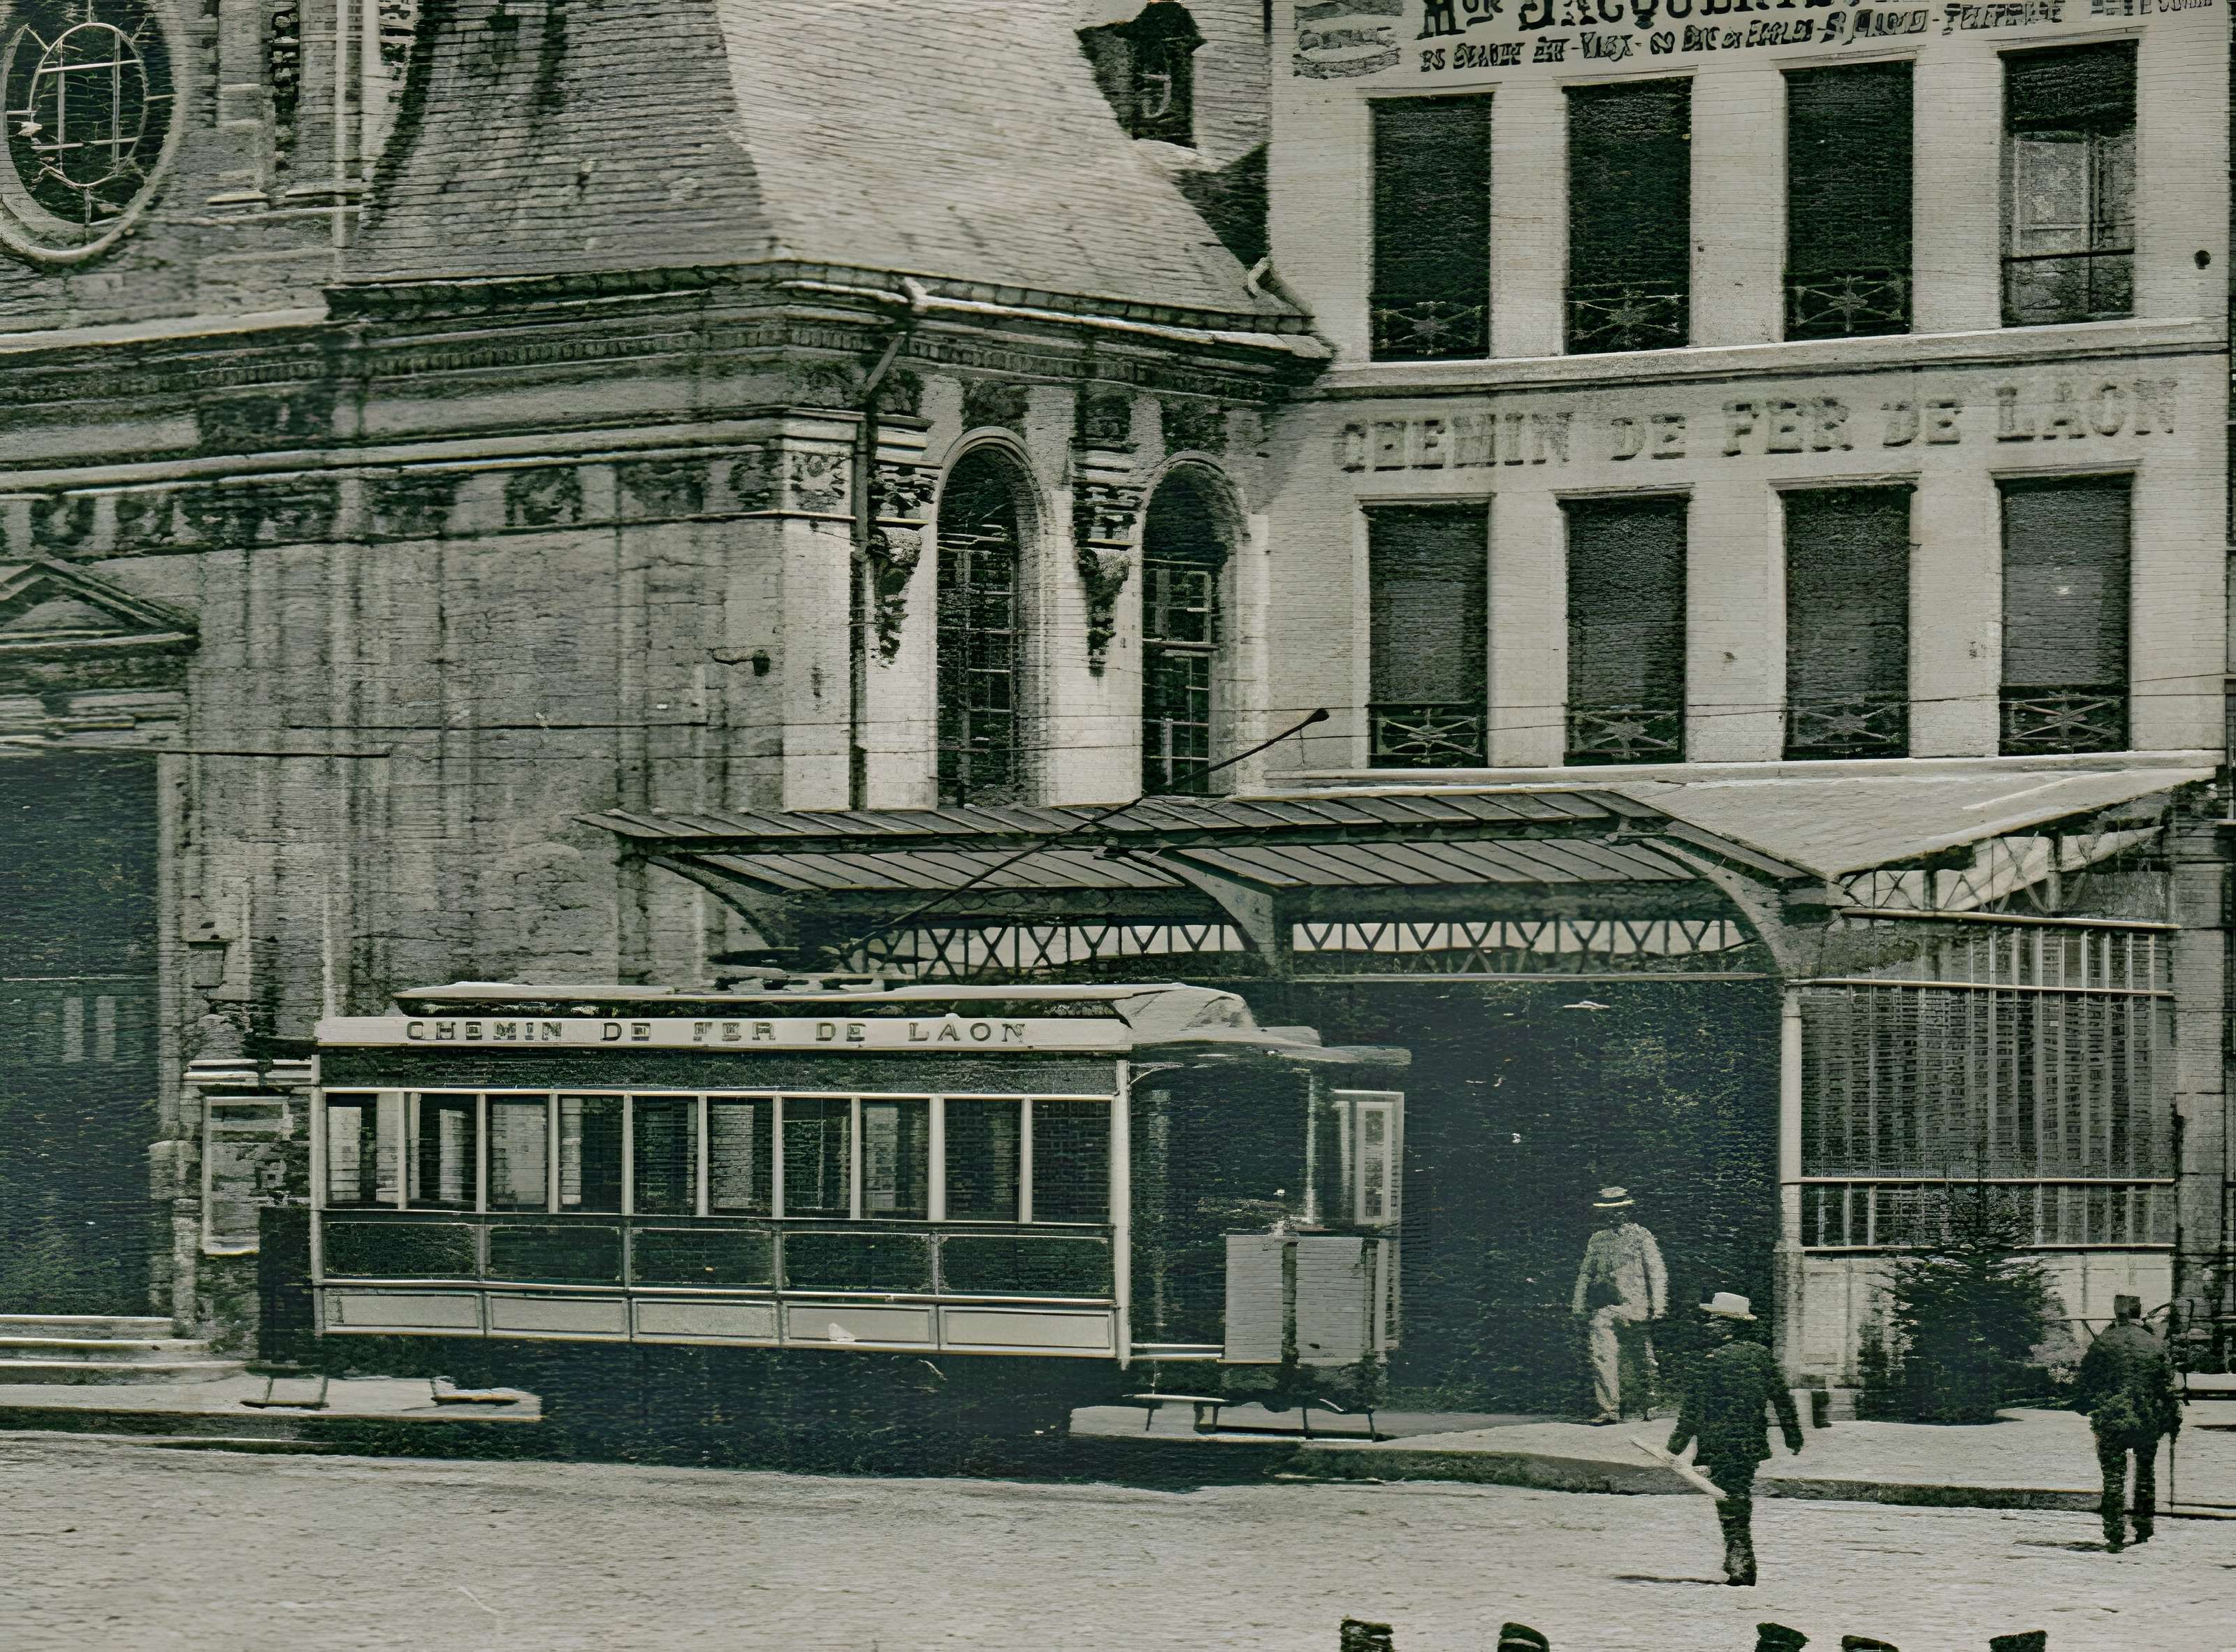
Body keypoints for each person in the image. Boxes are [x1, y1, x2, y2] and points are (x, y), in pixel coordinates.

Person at [1665, 1291, 1803, 1586]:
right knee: (1738, 1490)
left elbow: (1693, 1409)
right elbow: (1782, 1399)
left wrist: (1675, 1445)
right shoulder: (1762, 1356)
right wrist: (1793, 1436)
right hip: (1750, 1441)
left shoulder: (1712, 1359)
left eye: (1715, 1321)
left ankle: (1740, 1558)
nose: (1709, 1326)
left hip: (1719, 1441)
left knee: (1729, 1496)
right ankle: (1738, 1556)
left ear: (1730, 1326)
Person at [2073, 1293, 2181, 1551]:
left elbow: (2085, 1384)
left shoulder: (2104, 1342)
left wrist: (2086, 1407)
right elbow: (2166, 1385)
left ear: (2116, 1312)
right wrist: (2171, 1419)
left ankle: (2114, 1532)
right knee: (2145, 1474)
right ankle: (2144, 1530)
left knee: (2113, 1479)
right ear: (2138, 1312)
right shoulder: (2153, 1343)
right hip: (2147, 1419)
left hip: (2112, 1421)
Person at [1570, 1186, 1668, 1423]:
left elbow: (1656, 1271)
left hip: (1636, 1307)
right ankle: (1610, 1409)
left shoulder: (1641, 1235)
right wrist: (1579, 1303)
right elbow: (1586, 1273)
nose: (1614, 1215)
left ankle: (1651, 1404)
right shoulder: (1598, 1239)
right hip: (1604, 1308)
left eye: (1619, 1210)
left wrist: (1659, 1305)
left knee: (1642, 1357)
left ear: (1627, 1211)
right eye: (1609, 1211)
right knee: (1602, 1355)